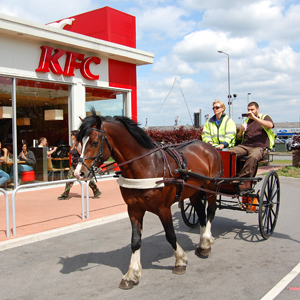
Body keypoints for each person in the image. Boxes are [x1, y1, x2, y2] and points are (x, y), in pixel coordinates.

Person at [229, 101, 275, 178]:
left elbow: (270, 125)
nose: (250, 112)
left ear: (258, 109)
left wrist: (254, 118)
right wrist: (241, 131)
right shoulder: (247, 120)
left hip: (260, 147)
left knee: (253, 157)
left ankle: (242, 178)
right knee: (229, 153)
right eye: (248, 110)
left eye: (252, 110)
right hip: (245, 145)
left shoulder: (264, 117)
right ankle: (227, 175)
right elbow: (240, 137)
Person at [58, 130, 101, 200]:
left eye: (72, 135)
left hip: (79, 164)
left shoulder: (79, 144)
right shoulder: (73, 144)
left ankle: (96, 191)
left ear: (75, 136)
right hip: (74, 164)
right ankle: (65, 194)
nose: (71, 136)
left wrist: (78, 149)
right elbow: (71, 152)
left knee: (86, 178)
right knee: (69, 179)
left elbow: (83, 154)